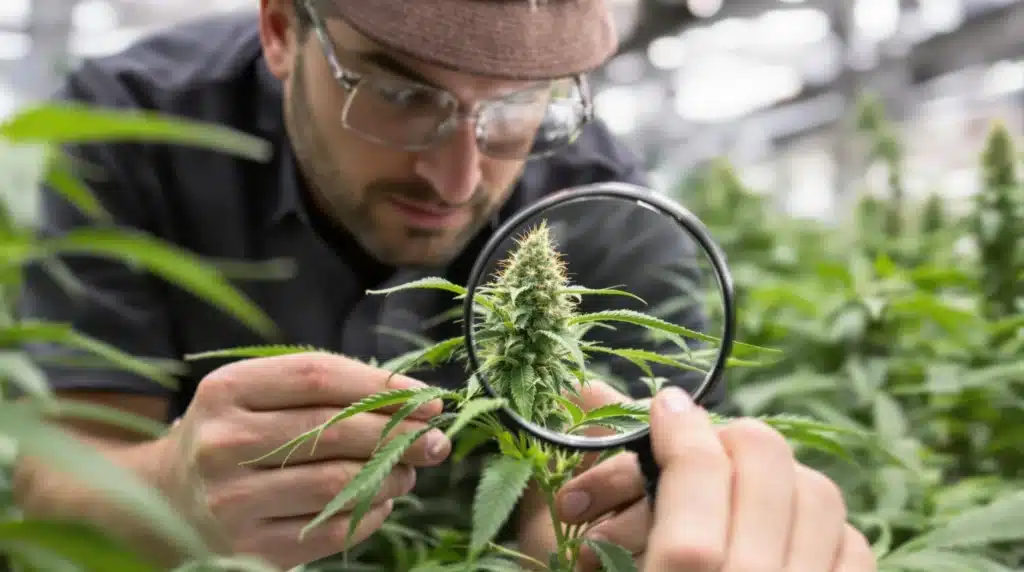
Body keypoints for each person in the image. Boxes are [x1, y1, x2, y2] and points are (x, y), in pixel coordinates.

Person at [11, 0, 876, 570]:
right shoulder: (135, 124)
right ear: (282, 28)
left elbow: (590, 489)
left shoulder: (606, 201)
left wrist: (599, 538)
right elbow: (57, 473)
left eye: (517, 104)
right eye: (396, 90)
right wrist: (168, 492)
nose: (459, 177)